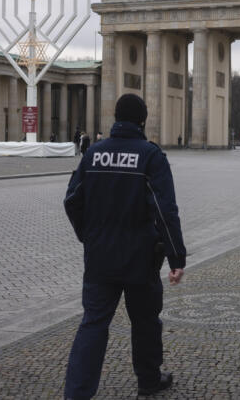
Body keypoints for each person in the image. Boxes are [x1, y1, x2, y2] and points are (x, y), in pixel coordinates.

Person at [63, 93, 186, 399]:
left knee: (93, 324)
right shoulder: (150, 156)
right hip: (140, 257)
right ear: (142, 120)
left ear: (115, 119)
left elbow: (71, 200)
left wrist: (88, 235)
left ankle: (77, 394)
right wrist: (176, 258)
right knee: (145, 321)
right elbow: (164, 210)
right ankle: (148, 379)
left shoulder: (93, 154)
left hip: (99, 258)